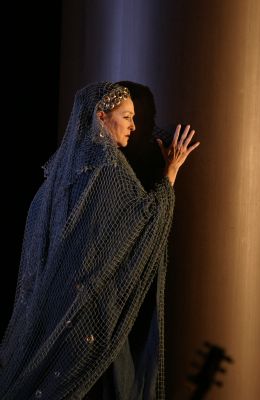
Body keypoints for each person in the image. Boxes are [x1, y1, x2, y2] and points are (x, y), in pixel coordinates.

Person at [0, 81, 200, 400]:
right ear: (101, 116)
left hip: (57, 319)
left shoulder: (60, 179)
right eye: (127, 116)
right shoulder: (108, 173)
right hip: (89, 322)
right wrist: (171, 172)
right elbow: (141, 223)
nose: (134, 126)